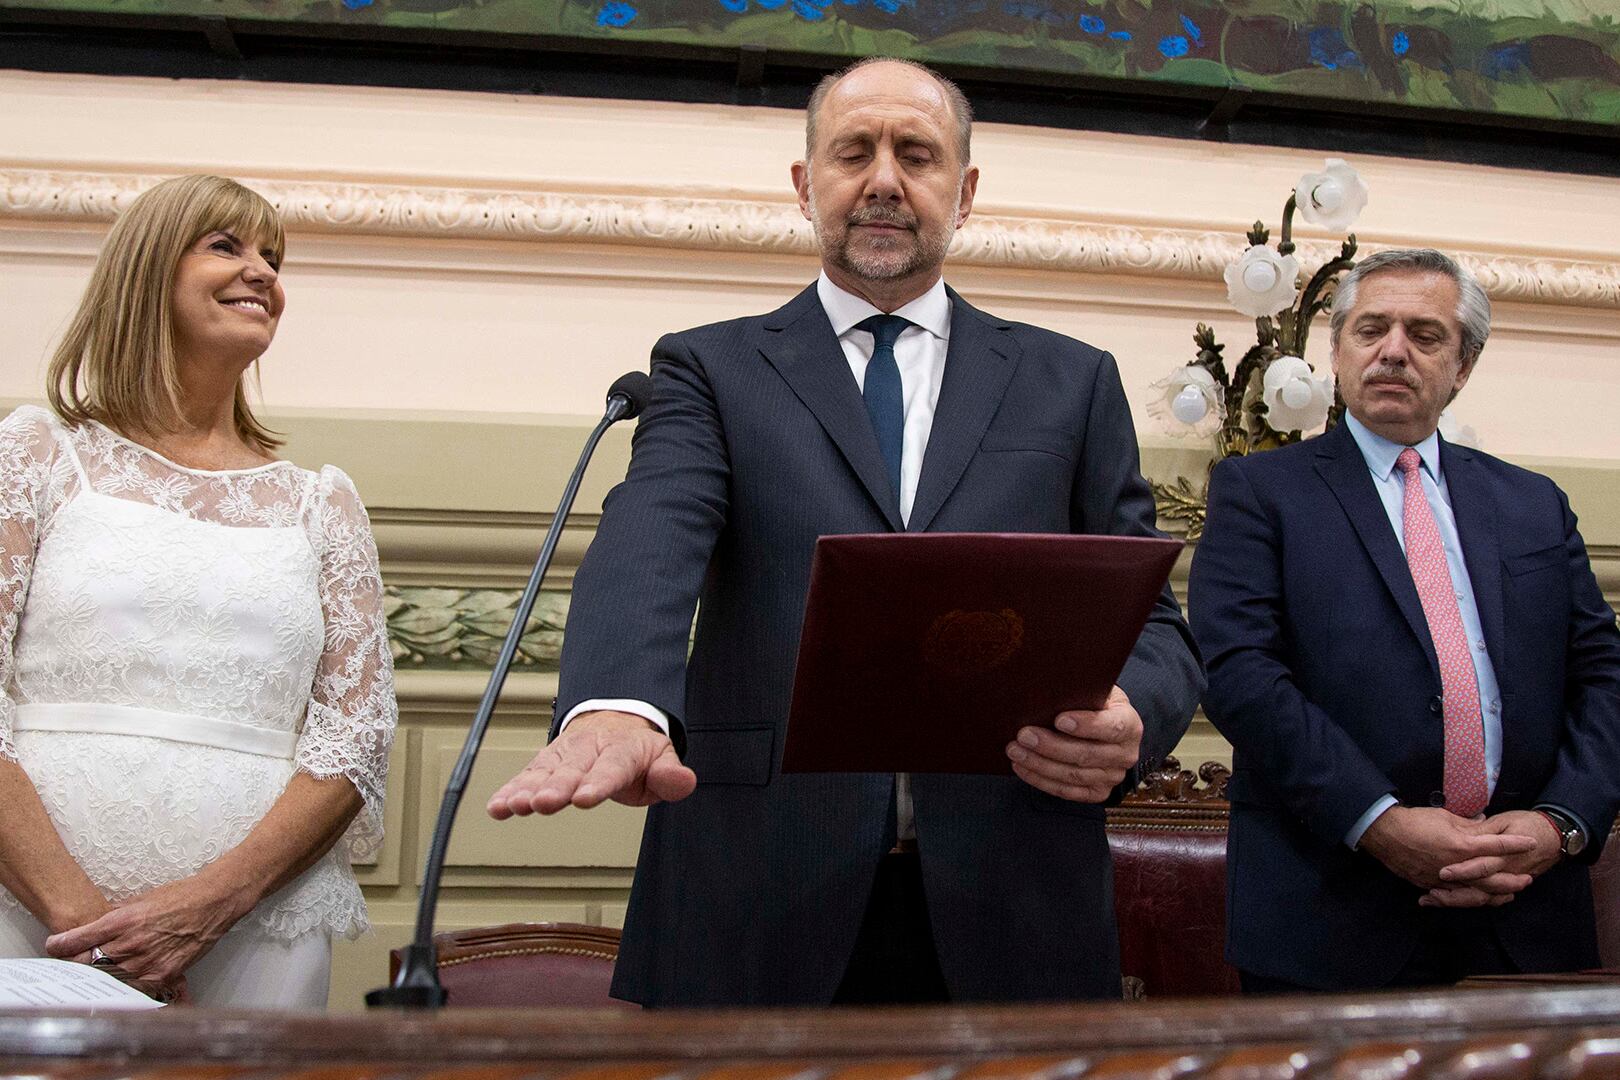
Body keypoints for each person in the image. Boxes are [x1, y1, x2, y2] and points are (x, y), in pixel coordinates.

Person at [488, 58, 1202, 1006]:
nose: (883, 181)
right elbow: (650, 536)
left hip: (1013, 894)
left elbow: (1154, 624)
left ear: (965, 190)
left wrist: (1134, 716)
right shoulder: (711, 368)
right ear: (805, 184)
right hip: (758, 889)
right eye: (852, 152)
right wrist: (619, 702)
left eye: (917, 154)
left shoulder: (1070, 382)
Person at [0, 174, 397, 1007]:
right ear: (146, 271)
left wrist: (212, 903)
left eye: (273, 257)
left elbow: (353, 738)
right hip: (31, 926)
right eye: (226, 246)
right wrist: (89, 932)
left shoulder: (321, 503)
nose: (263, 273)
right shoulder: (37, 457)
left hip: (257, 934)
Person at [1190, 248, 1620, 992]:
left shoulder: (1532, 505)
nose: (1393, 350)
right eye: (1370, 329)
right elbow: (1240, 674)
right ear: (1336, 351)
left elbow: (1604, 678)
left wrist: (1560, 823)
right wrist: (1379, 820)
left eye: (1424, 335)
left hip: (1523, 914)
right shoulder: (1260, 491)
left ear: (1464, 366)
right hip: (1331, 912)